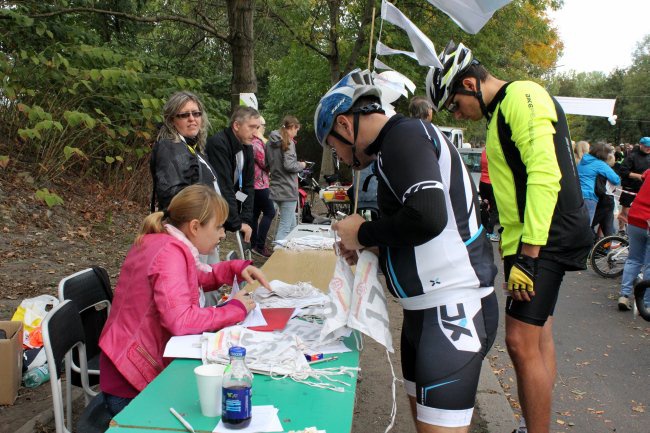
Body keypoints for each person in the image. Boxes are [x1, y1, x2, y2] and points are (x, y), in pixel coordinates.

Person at [316, 69, 498, 433]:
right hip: (423, 313)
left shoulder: (404, 135)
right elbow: (422, 232)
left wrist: (363, 230)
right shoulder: (393, 146)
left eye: (333, 145)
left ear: (345, 125)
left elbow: (429, 216)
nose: (339, 156)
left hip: (450, 307)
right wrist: (372, 244)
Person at [426, 41, 592, 433]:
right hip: (532, 237)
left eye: (454, 103)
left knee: (519, 342)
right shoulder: (502, 107)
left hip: (546, 236)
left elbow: (544, 175)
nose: (457, 113)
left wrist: (529, 257)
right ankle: (534, 424)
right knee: (539, 335)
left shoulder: (523, 95)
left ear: (469, 82)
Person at [98, 184, 271, 416]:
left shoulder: (165, 241)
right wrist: (234, 309)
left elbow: (195, 276)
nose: (222, 234)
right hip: (131, 378)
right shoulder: (170, 253)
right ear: (195, 227)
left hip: (127, 363)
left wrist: (236, 269)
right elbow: (180, 321)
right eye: (219, 227)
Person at [150, 91, 220, 212]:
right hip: (192, 227)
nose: (192, 119)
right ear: (171, 120)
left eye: (196, 113)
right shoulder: (170, 148)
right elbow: (173, 199)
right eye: (184, 115)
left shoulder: (192, 147)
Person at [206, 106, 261, 243]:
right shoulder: (218, 143)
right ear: (236, 125)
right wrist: (236, 222)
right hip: (208, 209)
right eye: (252, 127)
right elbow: (224, 186)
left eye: (257, 128)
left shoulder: (247, 146)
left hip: (230, 198)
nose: (255, 133)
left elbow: (248, 186)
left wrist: (246, 219)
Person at [266, 115, 306, 241]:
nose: (296, 133)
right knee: (285, 227)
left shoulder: (269, 142)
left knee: (292, 226)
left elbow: (266, 163)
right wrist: (302, 165)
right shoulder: (288, 142)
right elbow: (289, 165)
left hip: (275, 187)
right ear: (292, 127)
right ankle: (278, 253)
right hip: (288, 189)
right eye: (296, 130)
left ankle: (291, 252)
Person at [618, 169, 650, 310]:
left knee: (633, 259)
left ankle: (624, 295)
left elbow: (643, 177)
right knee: (649, 265)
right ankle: (647, 303)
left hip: (636, 217)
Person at [250, 116, 276, 257]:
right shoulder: (256, 144)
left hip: (255, 184)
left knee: (254, 214)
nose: (265, 128)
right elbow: (267, 163)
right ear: (258, 127)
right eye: (263, 125)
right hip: (259, 185)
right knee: (270, 212)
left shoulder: (254, 142)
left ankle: (254, 244)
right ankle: (259, 245)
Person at [577, 142, 620, 224]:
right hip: (589, 196)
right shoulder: (600, 164)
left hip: (576, 194)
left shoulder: (582, 161)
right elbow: (616, 180)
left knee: (576, 223)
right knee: (586, 225)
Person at [617, 137, 650, 231]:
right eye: (646, 146)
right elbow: (623, 171)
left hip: (644, 189)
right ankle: (621, 230)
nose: (649, 149)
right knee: (625, 212)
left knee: (642, 212)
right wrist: (639, 176)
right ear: (641, 145)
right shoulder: (632, 156)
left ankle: (640, 230)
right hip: (630, 187)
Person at [591, 152, 618, 238]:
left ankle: (595, 242)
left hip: (602, 199)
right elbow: (615, 183)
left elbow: (599, 189)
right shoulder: (612, 172)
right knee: (608, 227)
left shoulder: (600, 171)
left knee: (588, 224)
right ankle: (606, 248)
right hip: (610, 199)